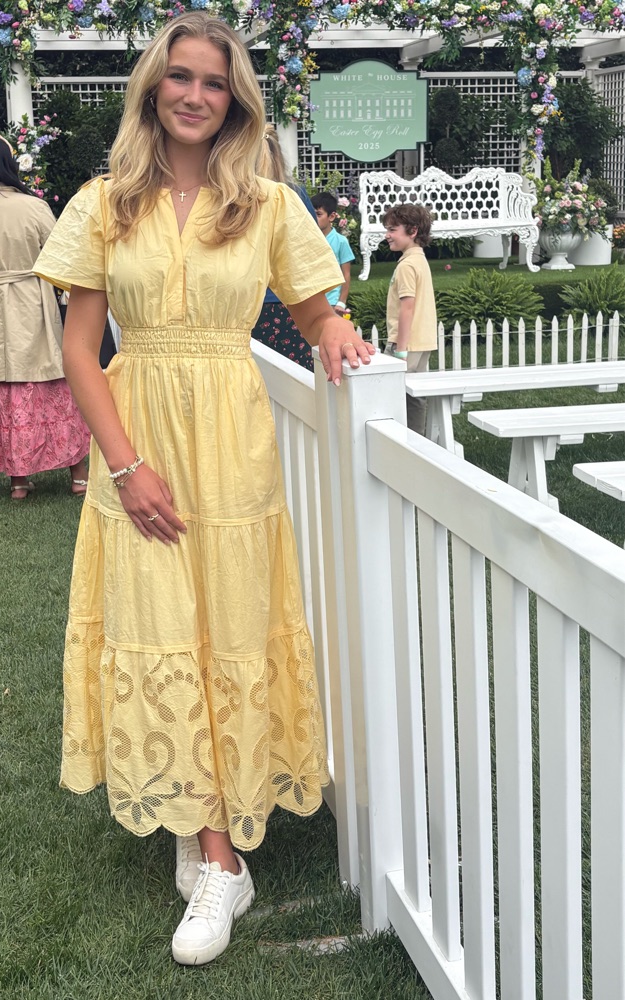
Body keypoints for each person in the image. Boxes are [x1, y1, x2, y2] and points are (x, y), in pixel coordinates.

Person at [33, 11, 373, 966]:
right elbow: (79, 347)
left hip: (231, 445)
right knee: (157, 625)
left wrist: (338, 331)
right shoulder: (104, 202)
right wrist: (125, 465)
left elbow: (313, 305)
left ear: (236, 100)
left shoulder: (265, 203)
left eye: (214, 82)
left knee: (225, 624)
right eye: (179, 76)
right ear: (153, 88)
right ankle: (217, 852)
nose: (194, 95)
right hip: (135, 436)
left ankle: (210, 837)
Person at [0, 135, 89, 500]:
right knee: (50, 385)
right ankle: (79, 477)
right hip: (29, 307)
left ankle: (19, 481)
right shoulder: (33, 207)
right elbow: (59, 256)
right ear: (9, 165)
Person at [251, 124, 318, 371]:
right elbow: (312, 249)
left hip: (247, 304)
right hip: (291, 306)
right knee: (295, 379)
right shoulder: (296, 195)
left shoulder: (237, 196)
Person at [382, 203, 437, 435]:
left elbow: (407, 308)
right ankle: (415, 441)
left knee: (390, 395)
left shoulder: (407, 266)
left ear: (412, 231)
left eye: (392, 229)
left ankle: (401, 440)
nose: (387, 235)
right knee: (415, 397)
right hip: (422, 342)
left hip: (406, 344)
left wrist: (400, 350)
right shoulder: (419, 260)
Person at [311, 192, 355, 316]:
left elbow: (346, 274)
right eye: (311, 214)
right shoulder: (307, 241)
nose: (314, 218)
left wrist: (341, 302)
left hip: (332, 301)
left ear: (331, 216)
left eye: (318, 214)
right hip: (311, 301)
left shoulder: (341, 241)